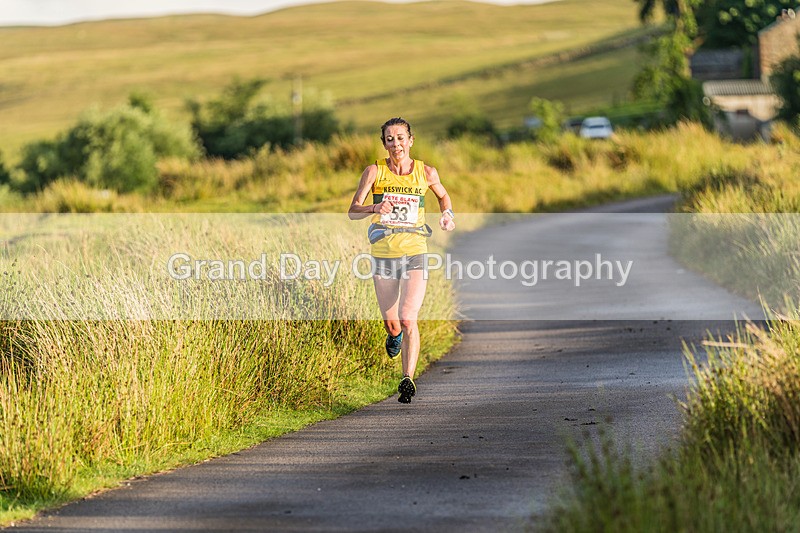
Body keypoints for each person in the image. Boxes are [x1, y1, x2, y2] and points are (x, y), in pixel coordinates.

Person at [348, 117, 456, 404]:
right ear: (384, 144)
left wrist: (447, 215)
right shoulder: (374, 171)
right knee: (393, 324)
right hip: (384, 255)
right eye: (390, 139)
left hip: (415, 252)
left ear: (411, 140)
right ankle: (393, 335)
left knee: (408, 317)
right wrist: (374, 207)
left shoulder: (426, 172)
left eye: (400, 138)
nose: (396, 144)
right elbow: (353, 210)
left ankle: (407, 378)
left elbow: (443, 196)